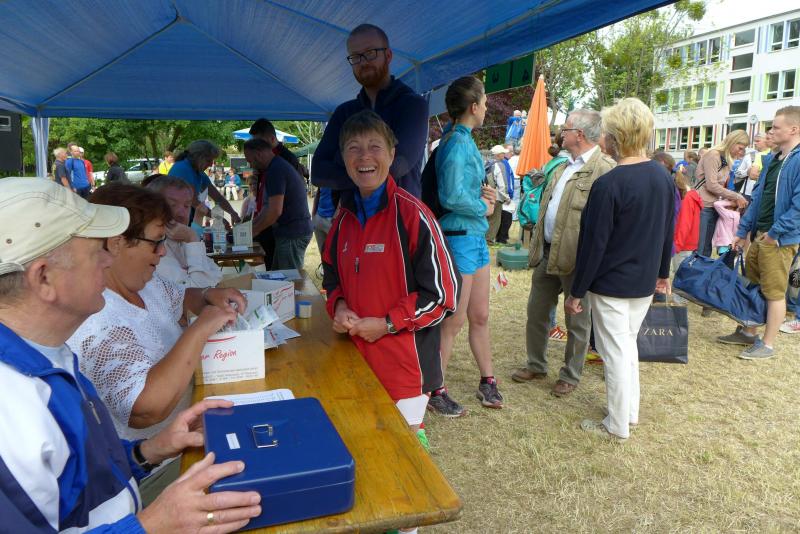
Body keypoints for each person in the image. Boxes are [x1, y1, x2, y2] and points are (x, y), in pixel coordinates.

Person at [0, 178, 261, 532]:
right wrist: (152, 524)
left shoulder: (50, 355)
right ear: (44, 278)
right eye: (96, 251)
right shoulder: (12, 412)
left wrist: (147, 452)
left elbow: (85, 483)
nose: (109, 259)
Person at [67, 184, 246, 501]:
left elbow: (180, 299)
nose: (163, 252)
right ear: (117, 242)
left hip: (188, 440)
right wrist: (200, 328)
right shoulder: (97, 318)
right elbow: (145, 409)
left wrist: (207, 295)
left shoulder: (143, 285)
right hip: (153, 472)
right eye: (156, 242)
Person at [322, 110, 459, 463]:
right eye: (353, 148)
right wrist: (339, 306)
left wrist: (386, 323)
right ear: (344, 159)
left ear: (392, 154)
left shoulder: (414, 215)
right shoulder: (343, 217)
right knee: (363, 451)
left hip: (405, 367)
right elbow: (331, 275)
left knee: (404, 457)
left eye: (374, 147)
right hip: (354, 359)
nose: (364, 157)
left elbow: (443, 297)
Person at [565, 98, 675, 441]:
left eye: (606, 134)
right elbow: (667, 231)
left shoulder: (609, 184)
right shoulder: (662, 176)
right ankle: (628, 413)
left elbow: (593, 245)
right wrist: (662, 273)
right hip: (642, 281)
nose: (602, 140)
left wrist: (577, 291)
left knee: (616, 351)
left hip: (612, 284)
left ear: (615, 137)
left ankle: (617, 424)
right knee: (627, 346)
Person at [511, 109, 615, 398]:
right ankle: (536, 364)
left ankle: (570, 375)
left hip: (577, 260)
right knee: (537, 312)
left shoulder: (604, 168)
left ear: (579, 134)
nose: (561, 133)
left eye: (565, 129)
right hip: (548, 253)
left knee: (577, 322)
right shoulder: (562, 165)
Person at [429, 76, 502, 417]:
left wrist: (486, 196)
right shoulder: (456, 144)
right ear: (473, 107)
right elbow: (451, 196)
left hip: (474, 238)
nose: (487, 108)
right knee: (454, 321)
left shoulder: (463, 140)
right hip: (459, 238)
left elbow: (465, 191)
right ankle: (435, 389)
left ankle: (488, 380)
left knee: (480, 315)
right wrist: (482, 207)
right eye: (484, 103)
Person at [718, 106, 800, 359]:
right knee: (752, 283)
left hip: (778, 239)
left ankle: (768, 344)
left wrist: (775, 234)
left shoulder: (797, 160)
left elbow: (798, 206)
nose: (770, 131)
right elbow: (758, 197)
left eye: (775, 127)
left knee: (773, 291)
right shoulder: (773, 159)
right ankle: (748, 332)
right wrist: (743, 230)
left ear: (794, 129)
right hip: (761, 234)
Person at [311, 23, 428, 198]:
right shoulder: (344, 112)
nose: (363, 62)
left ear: (388, 55)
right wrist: (373, 170)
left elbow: (399, 165)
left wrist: (342, 160)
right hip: (352, 214)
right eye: (355, 56)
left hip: (400, 212)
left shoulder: (412, 105)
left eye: (370, 53)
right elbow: (318, 173)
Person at [243, 138, 312, 270]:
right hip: (289, 232)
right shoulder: (274, 167)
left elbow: (275, 211)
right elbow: (267, 208)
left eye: (250, 160)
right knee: (276, 276)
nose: (251, 165)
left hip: (292, 233)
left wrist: (253, 231)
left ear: (258, 154)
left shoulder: (276, 170)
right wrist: (249, 228)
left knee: (289, 279)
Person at [146, 176, 223, 288]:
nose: (181, 213)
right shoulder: (153, 248)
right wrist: (192, 238)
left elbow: (217, 274)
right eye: (172, 205)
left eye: (186, 206)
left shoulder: (180, 239)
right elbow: (200, 290)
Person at [695, 130, 749, 257]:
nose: (741, 152)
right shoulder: (713, 155)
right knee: (702, 250)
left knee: (707, 249)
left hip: (713, 205)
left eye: (743, 149)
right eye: (740, 148)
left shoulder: (725, 158)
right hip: (704, 206)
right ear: (732, 142)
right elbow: (712, 185)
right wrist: (736, 196)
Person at [167, 140, 241, 225]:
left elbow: (217, 197)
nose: (211, 164)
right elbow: (194, 201)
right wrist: (218, 218)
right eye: (209, 160)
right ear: (199, 157)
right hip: (174, 220)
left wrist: (233, 213)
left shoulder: (198, 172)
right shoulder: (182, 168)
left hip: (183, 218)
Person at [486, 145, 511, 244]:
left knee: (486, 217)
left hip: (486, 194)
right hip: (496, 196)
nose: (504, 155)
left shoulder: (487, 163)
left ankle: (483, 238)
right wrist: (506, 197)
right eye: (502, 153)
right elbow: (502, 184)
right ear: (498, 155)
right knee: (495, 219)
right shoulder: (500, 165)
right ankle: (489, 240)